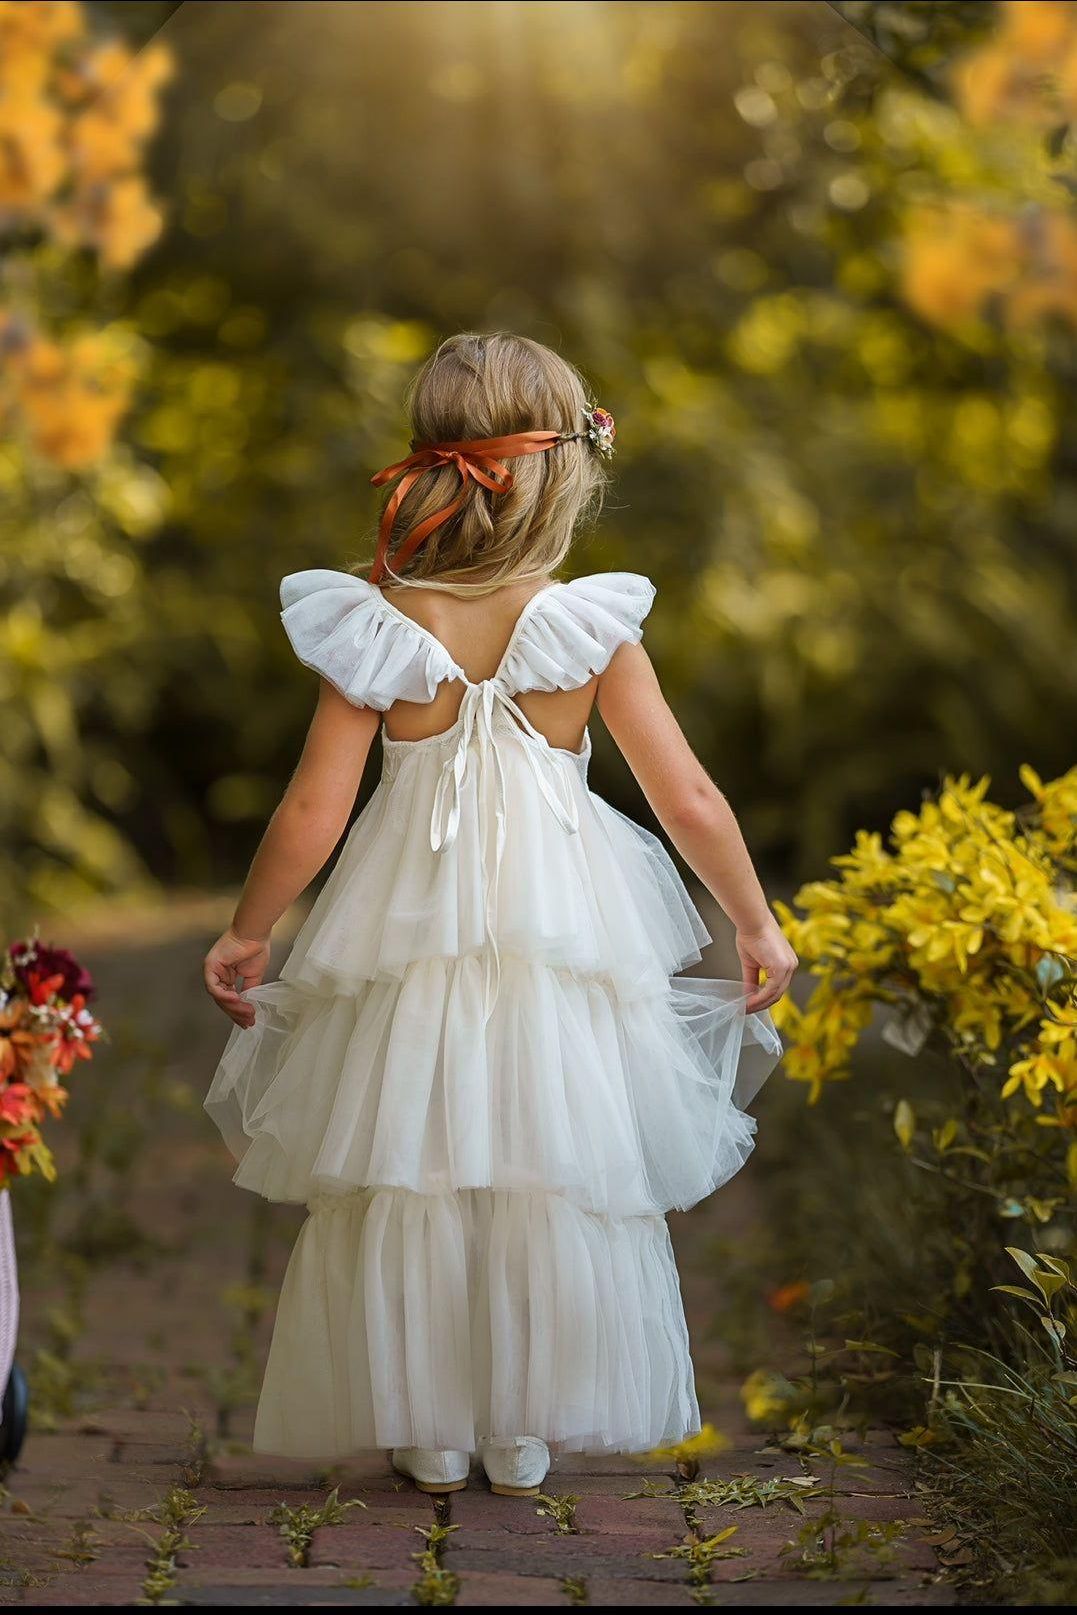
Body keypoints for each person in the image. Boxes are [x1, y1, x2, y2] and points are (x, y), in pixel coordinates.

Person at [203, 332, 795, 1497]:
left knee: (414, 1148)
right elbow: (687, 796)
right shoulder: (584, 628)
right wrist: (754, 922)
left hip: (404, 920)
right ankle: (525, 1418)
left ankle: (424, 1417)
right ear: (564, 470)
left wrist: (250, 926)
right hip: (559, 921)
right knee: (548, 1147)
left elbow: (316, 806)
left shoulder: (378, 621)